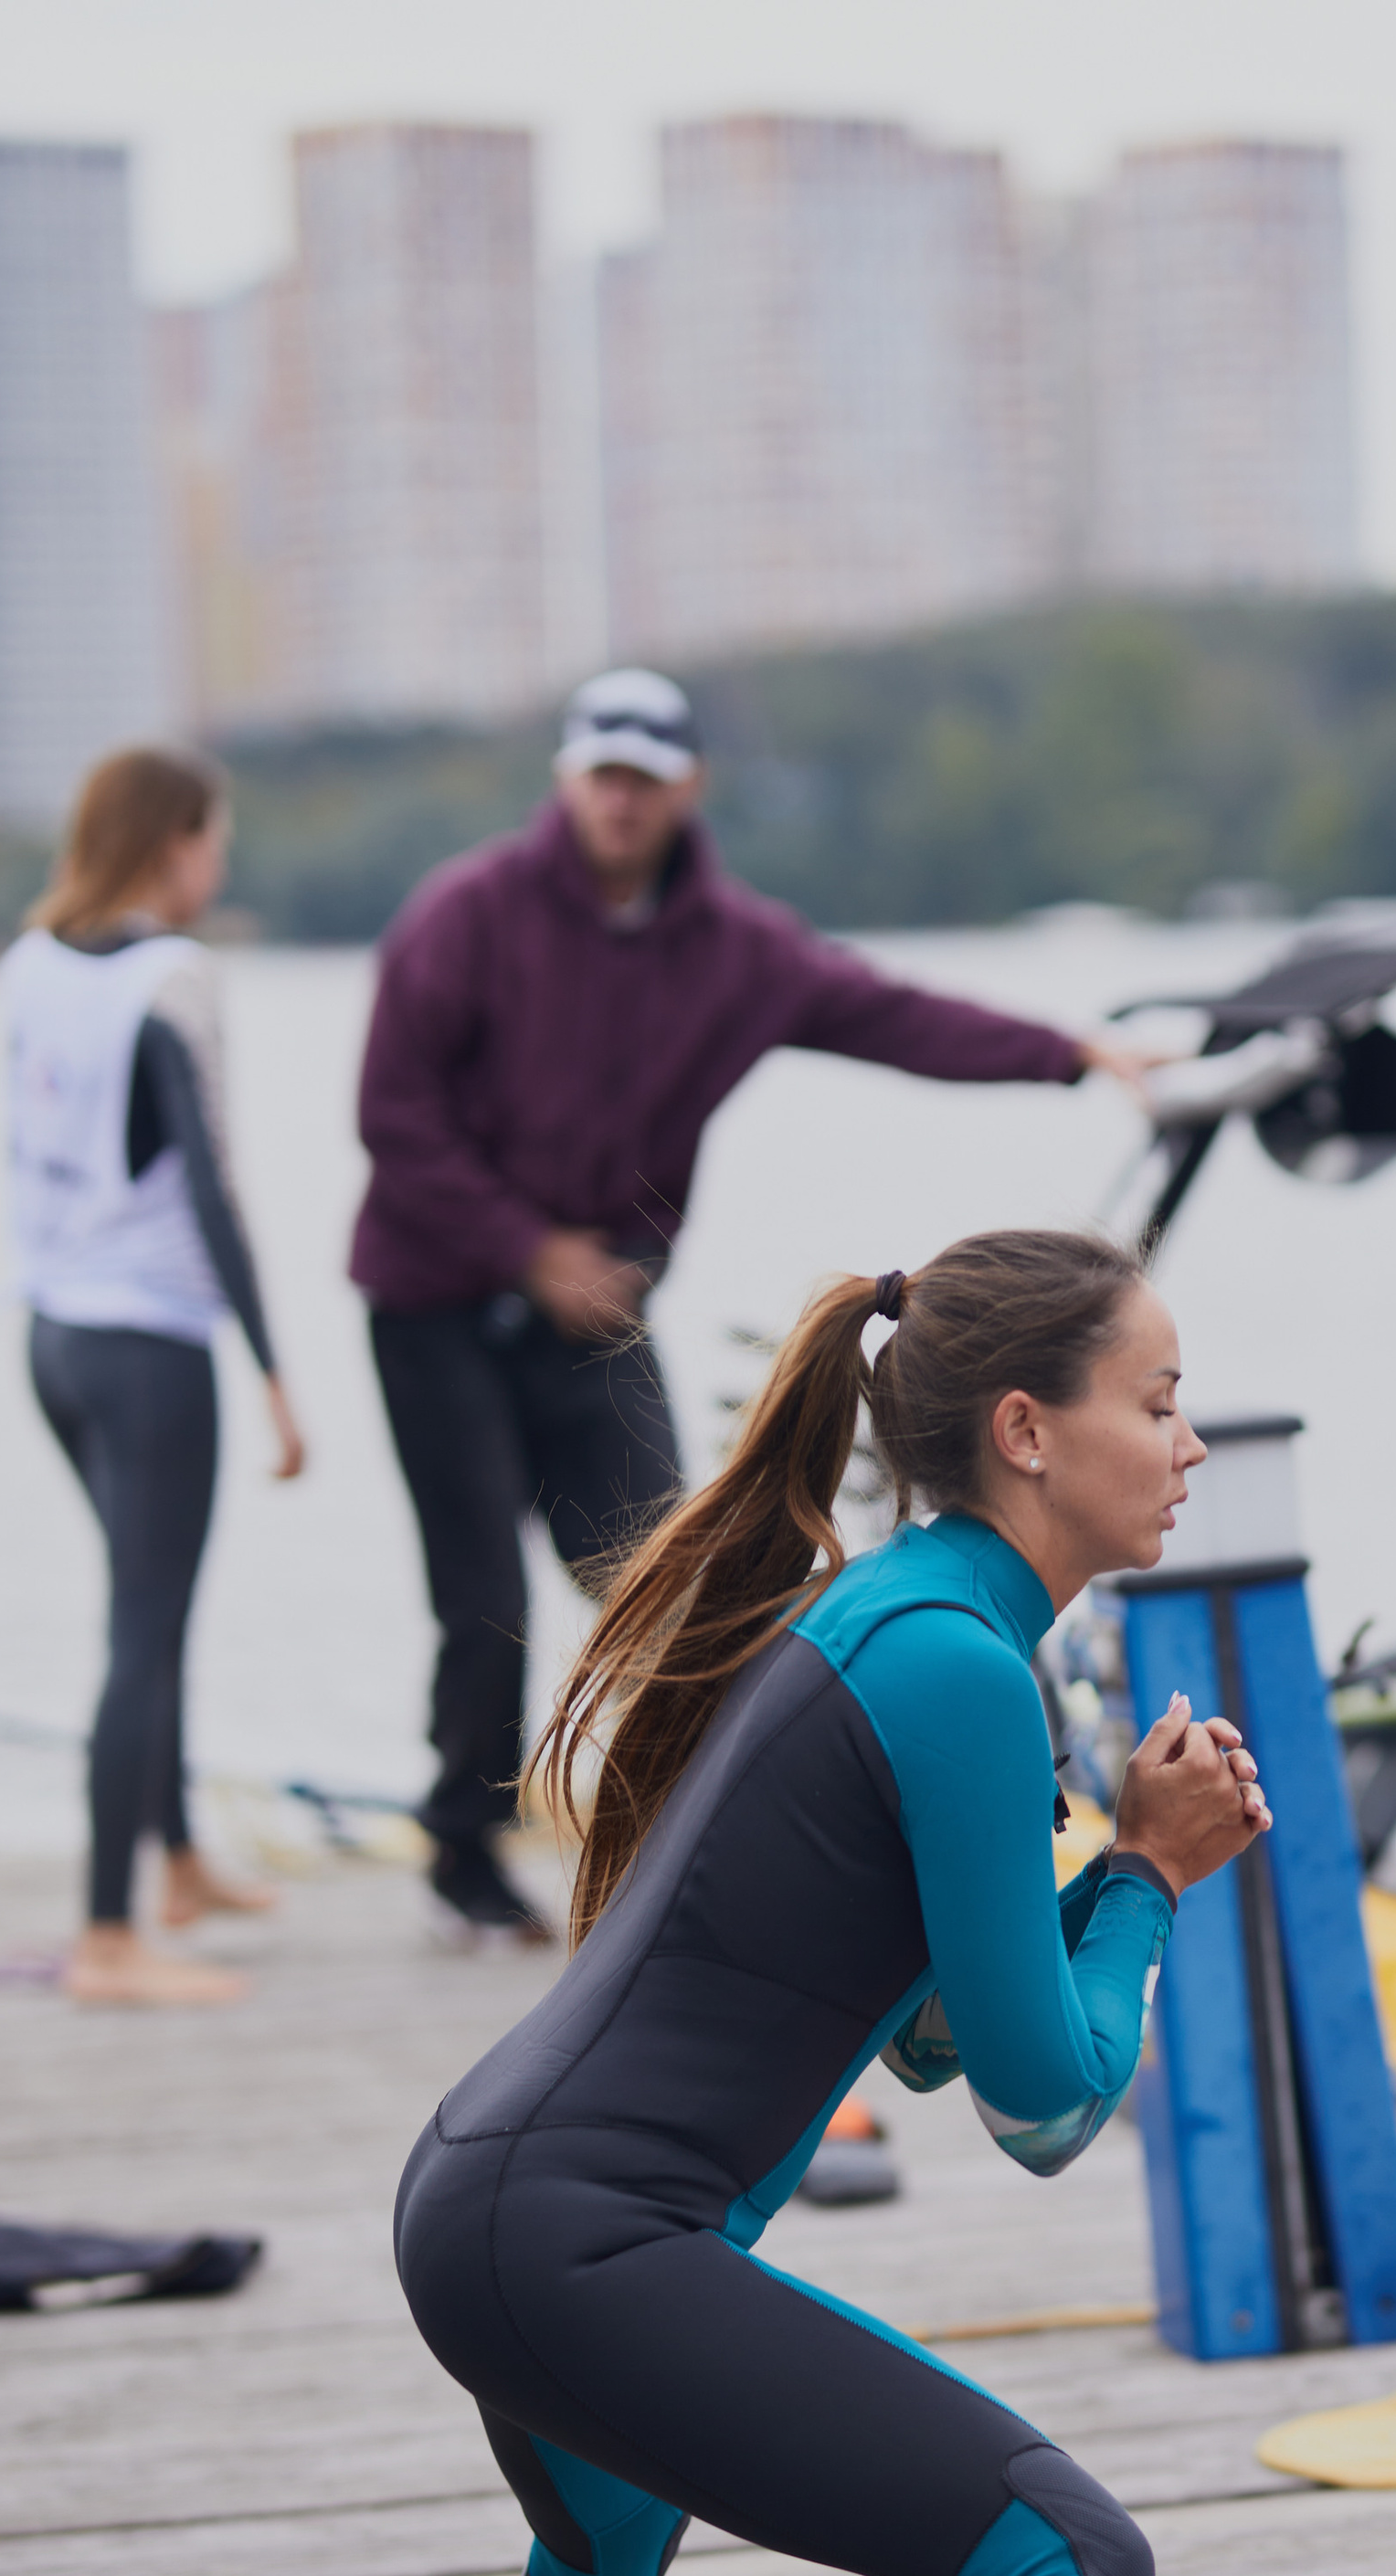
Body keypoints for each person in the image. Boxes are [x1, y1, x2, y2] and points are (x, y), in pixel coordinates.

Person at [392, 1230, 1268, 2576]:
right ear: (1025, 1431)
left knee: (608, 2513)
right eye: (1155, 1402)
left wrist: (1094, 1868)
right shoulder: (958, 1664)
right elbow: (1050, 2115)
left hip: (490, 2202)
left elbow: (950, 2039)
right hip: (577, 2236)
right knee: (1072, 2575)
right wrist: (1144, 1873)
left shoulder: (922, 1630)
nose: (1189, 1441)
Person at [353, 669, 1160, 1946]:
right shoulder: (466, 917)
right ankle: (462, 1851)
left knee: (674, 1571)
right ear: (570, 782)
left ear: (688, 789)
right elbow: (392, 1118)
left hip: (597, 1315)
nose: (622, 802)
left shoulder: (737, 952)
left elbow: (892, 1014)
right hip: (436, 1301)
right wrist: (527, 1251)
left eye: (646, 779)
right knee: (477, 1600)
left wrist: (1072, 1055)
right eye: (601, 776)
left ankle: (682, 1820)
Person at [3, 746, 305, 2006]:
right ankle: (106, 1936)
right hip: (148, 1348)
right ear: (167, 841)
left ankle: (177, 1858)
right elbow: (211, 1184)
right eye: (209, 839)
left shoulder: (29, 961)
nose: (217, 863)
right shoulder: (176, 979)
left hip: (55, 1336)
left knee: (145, 1604)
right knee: (145, 1627)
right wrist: (277, 1371)